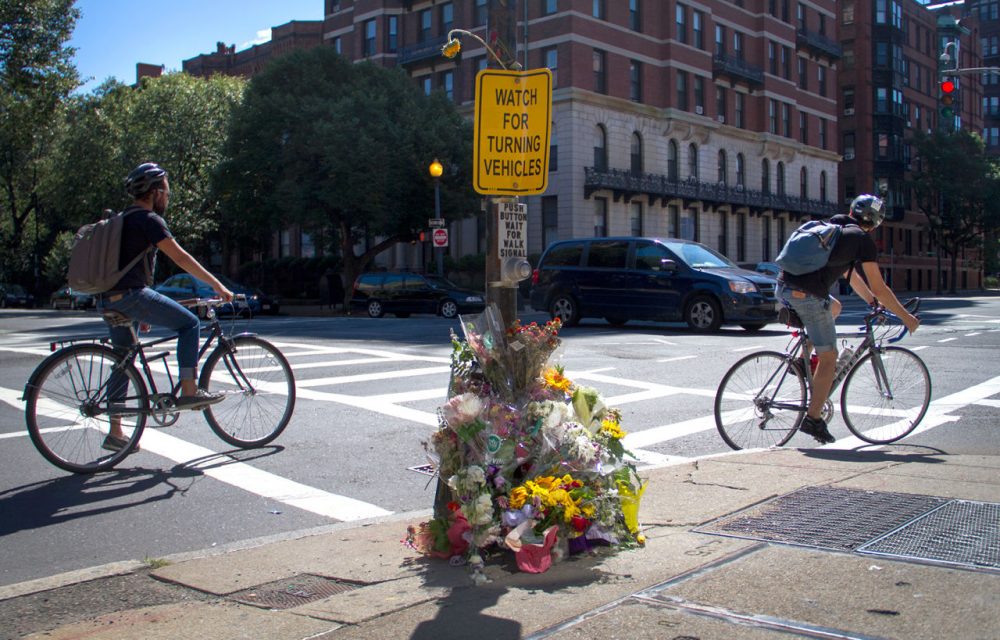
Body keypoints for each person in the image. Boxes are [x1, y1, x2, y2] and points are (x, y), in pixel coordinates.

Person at [97, 162, 234, 452]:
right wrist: (216, 285)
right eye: (167, 191)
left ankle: (116, 432)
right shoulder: (149, 220)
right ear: (156, 192)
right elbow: (181, 258)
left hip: (110, 298)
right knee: (190, 324)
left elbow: (129, 268)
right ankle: (188, 390)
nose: (168, 197)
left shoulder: (122, 220)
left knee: (123, 361)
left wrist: (144, 311)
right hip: (131, 297)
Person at [777, 194, 920, 444]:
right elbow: (880, 286)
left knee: (834, 307)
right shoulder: (862, 240)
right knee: (829, 358)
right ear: (876, 221)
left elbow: (849, 274)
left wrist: (871, 302)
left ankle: (801, 361)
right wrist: (906, 317)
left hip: (784, 287)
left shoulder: (834, 226)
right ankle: (813, 420)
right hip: (807, 296)